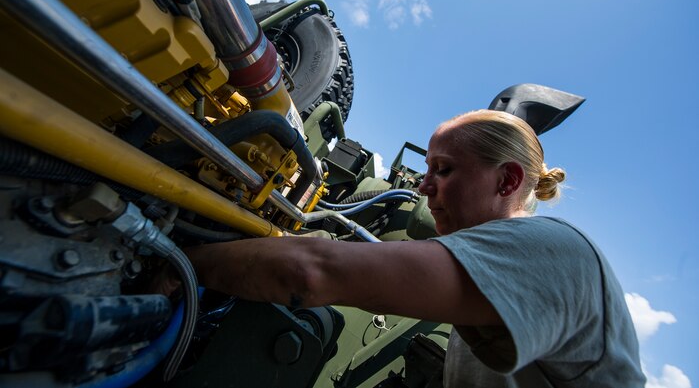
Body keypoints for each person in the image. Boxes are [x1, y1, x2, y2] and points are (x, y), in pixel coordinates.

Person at [182, 109, 645, 387]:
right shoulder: (494, 282)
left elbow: (311, 273)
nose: (423, 187)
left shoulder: (554, 251)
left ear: (507, 180)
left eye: (442, 170)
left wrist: (184, 262)